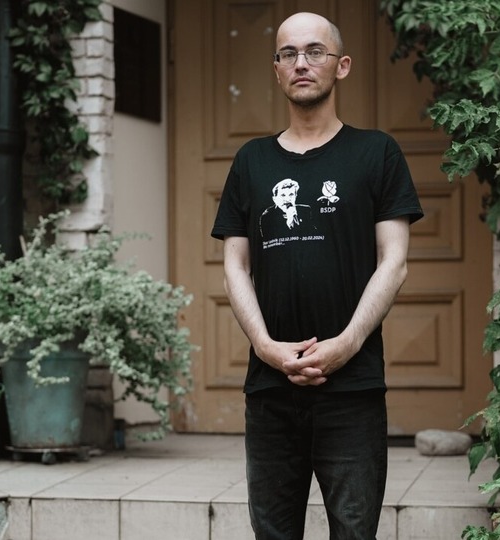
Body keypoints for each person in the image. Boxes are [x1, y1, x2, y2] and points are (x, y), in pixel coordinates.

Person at [210, 11, 423, 540]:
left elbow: (394, 261)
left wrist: (347, 344)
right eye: (288, 54)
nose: (301, 63)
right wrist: (265, 347)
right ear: (277, 69)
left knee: (354, 532)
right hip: (270, 389)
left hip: (352, 388)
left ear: (341, 65)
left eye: (314, 51)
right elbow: (235, 265)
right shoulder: (251, 161)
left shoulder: (376, 152)